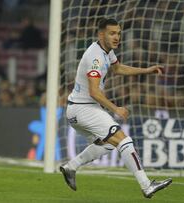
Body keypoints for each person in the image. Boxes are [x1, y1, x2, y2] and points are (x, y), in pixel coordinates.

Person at [60, 18, 172, 199]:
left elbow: (119, 69)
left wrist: (146, 70)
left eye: (119, 33)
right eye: (112, 33)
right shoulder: (95, 56)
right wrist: (116, 109)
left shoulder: (106, 51)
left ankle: (70, 167)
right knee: (123, 140)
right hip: (84, 109)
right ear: (101, 34)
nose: (117, 37)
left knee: (106, 145)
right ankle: (146, 185)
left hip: (76, 110)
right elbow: (95, 92)